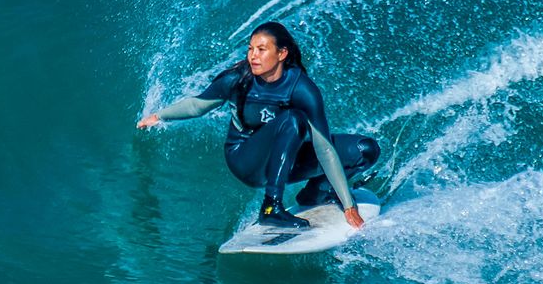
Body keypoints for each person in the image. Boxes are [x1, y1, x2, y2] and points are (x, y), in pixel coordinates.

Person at [136, 22, 380, 230]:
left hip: (286, 160)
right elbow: (197, 106)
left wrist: (348, 205)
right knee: (293, 120)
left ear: (282, 54)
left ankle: (316, 193)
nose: (253, 56)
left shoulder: (302, 88)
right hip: (245, 160)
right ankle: (271, 207)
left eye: (262, 50)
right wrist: (158, 116)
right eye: (251, 49)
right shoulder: (237, 79)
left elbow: (324, 149)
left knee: (364, 150)